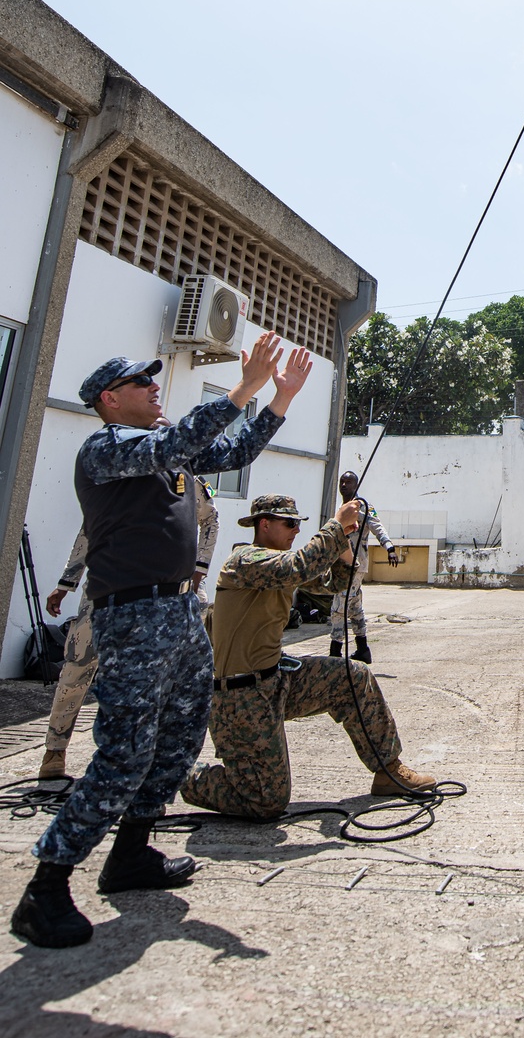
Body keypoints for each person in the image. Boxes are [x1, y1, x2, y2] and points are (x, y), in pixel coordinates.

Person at [11, 333, 311, 950]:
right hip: (134, 615)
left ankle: (131, 856)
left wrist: (278, 400)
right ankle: (45, 890)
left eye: (154, 379)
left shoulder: (160, 454)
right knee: (124, 753)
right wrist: (246, 385)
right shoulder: (106, 449)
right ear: (108, 401)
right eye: (140, 381)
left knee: (179, 739)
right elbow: (180, 442)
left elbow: (230, 451)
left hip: (178, 610)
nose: (154, 386)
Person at [180, 493, 435, 819]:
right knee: (265, 802)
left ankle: (388, 770)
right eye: (289, 523)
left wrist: (344, 551)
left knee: (352, 676)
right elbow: (298, 567)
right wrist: (335, 526)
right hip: (241, 700)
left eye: (298, 524)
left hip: (276, 681)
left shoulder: (283, 564)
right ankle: (176, 774)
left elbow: (330, 584)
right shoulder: (245, 562)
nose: (295, 530)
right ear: (264, 524)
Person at [39, 474, 219, 781]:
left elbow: (210, 520)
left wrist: (198, 571)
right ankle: (55, 750)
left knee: (156, 683)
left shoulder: (181, 480)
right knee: (76, 670)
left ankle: (145, 763)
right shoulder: (114, 478)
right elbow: (89, 531)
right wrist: (66, 582)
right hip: (105, 590)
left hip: (158, 599)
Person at [328, 469, 398, 663]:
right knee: (355, 606)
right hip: (341, 564)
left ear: (356, 486)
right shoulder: (342, 508)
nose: (344, 486)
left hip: (354, 565)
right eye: (342, 482)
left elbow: (377, 526)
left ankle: (335, 652)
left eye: (348, 482)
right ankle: (362, 648)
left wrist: (389, 546)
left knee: (339, 607)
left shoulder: (362, 507)